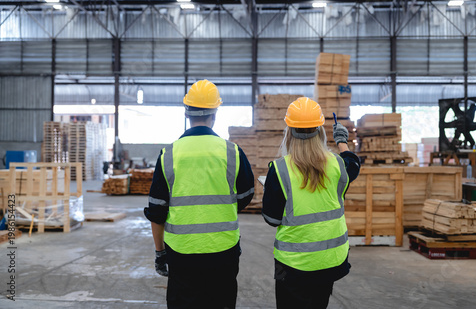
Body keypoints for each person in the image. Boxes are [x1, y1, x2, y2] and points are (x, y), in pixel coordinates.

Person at [144, 79, 255, 309]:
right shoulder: (232, 152)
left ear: (187, 113)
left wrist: (159, 253)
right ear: (215, 113)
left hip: (182, 253)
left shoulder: (169, 154)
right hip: (223, 251)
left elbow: (157, 211)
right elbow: (246, 196)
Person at [261, 97, 361, 309]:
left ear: (289, 131)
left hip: (294, 265)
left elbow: (272, 218)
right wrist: (342, 141)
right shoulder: (337, 165)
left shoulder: (279, 170)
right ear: (320, 131)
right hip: (329, 260)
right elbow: (353, 164)